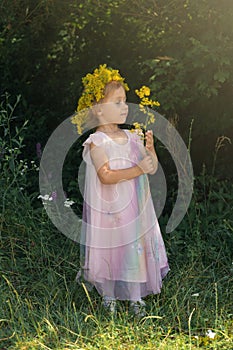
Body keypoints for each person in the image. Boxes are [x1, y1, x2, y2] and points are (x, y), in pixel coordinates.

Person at [74, 65, 169, 316]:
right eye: (117, 102)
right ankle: (108, 294)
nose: (125, 107)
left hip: (134, 210)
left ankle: (136, 296)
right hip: (109, 211)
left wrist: (150, 150)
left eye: (125, 101)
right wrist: (137, 169)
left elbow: (150, 168)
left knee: (133, 249)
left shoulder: (132, 137)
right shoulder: (97, 141)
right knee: (110, 248)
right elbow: (105, 176)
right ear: (98, 109)